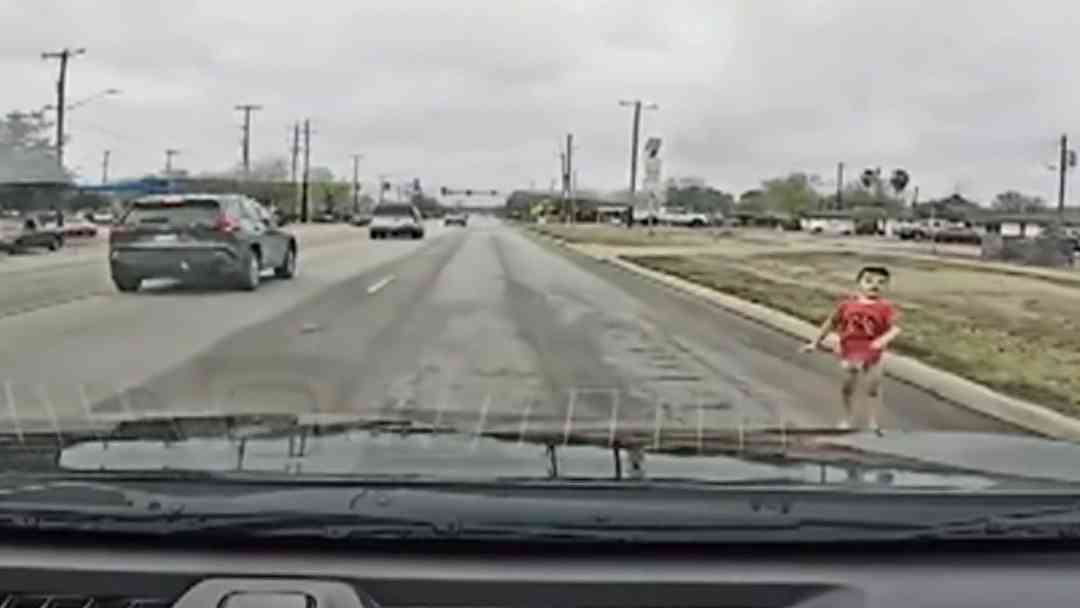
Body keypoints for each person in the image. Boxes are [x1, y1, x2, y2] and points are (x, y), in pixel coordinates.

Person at [801, 265, 901, 432]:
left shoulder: (885, 308)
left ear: (887, 286)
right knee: (848, 387)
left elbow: (896, 329)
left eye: (881, 282)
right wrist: (815, 342)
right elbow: (831, 323)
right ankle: (847, 418)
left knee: (873, 388)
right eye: (869, 281)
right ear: (858, 283)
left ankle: (873, 422)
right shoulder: (847, 305)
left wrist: (882, 340)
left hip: (873, 355)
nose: (874, 285)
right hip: (850, 352)